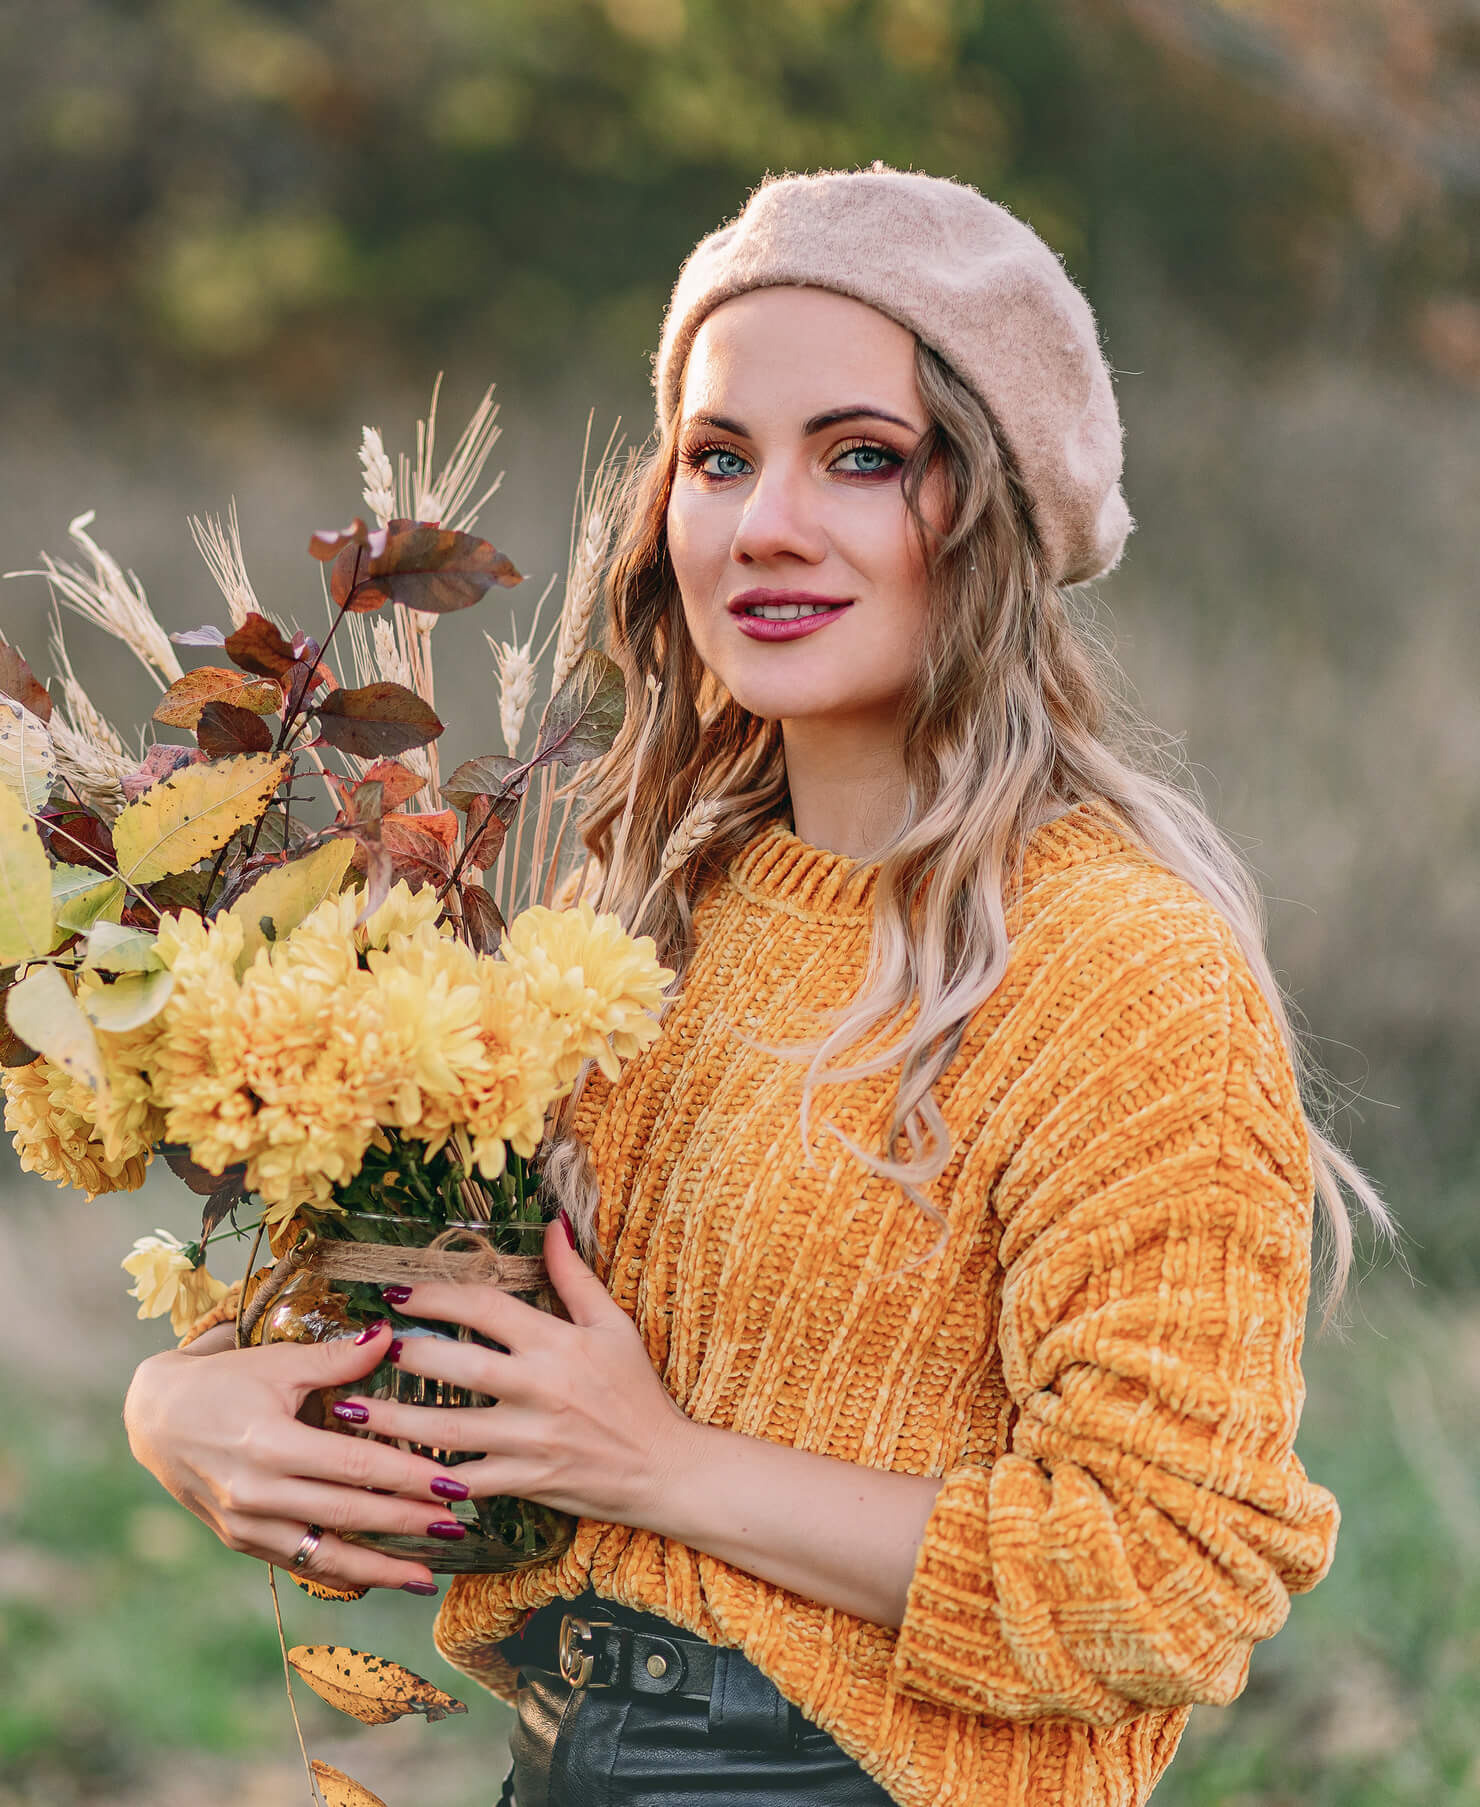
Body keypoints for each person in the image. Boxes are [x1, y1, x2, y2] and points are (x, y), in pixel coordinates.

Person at [121, 165, 1388, 1806]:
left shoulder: (1116, 964)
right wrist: (188, 1400)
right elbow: (463, 1347)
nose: (763, 522)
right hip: (570, 1758)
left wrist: (661, 1469)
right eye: (719, 458)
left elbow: (1167, 1568)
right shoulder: (642, 920)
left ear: (995, 514)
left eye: (862, 457)